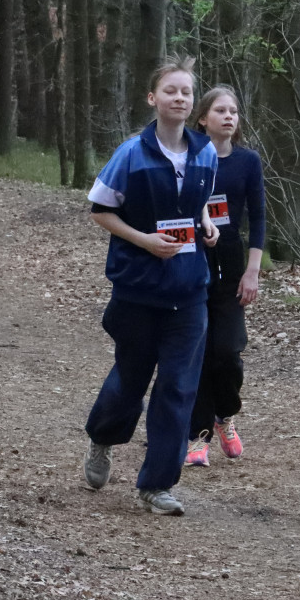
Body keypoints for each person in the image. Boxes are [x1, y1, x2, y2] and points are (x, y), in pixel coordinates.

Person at [82, 55, 220, 516]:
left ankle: (157, 485)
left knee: (178, 387)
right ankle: (102, 438)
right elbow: (100, 210)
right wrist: (144, 240)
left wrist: (206, 224)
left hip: (189, 291)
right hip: (138, 290)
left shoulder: (205, 152)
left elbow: (199, 201)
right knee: (130, 382)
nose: (179, 98)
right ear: (152, 99)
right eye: (170, 91)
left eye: (186, 92)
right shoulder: (131, 154)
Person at [184, 85, 266, 468]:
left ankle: (224, 415)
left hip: (232, 261)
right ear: (203, 118)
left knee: (228, 351)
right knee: (198, 351)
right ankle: (197, 435)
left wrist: (252, 271)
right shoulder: (188, 158)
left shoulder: (248, 161)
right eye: (220, 111)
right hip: (192, 257)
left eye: (233, 111)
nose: (229, 117)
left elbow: (259, 217)